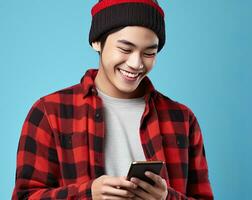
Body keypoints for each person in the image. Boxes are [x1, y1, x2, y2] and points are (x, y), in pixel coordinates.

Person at [12, 0, 213, 199]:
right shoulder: (49, 112)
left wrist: (166, 198)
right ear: (96, 42)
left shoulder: (182, 119)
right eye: (125, 49)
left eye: (149, 53)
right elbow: (24, 197)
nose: (136, 63)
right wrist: (88, 195)